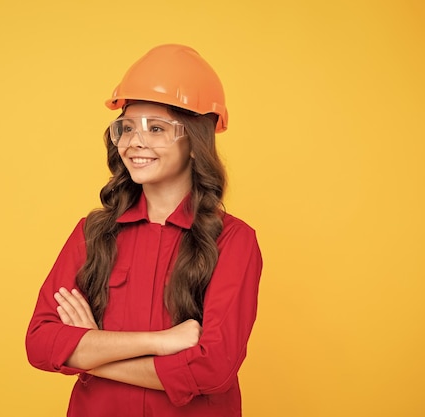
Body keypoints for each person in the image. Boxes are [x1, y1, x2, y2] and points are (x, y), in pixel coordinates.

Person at [26, 44, 263, 417]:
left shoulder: (233, 241)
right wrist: (163, 341)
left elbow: (212, 369)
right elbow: (40, 344)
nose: (135, 142)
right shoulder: (92, 233)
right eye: (126, 127)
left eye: (156, 129)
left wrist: (91, 351)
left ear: (195, 142)